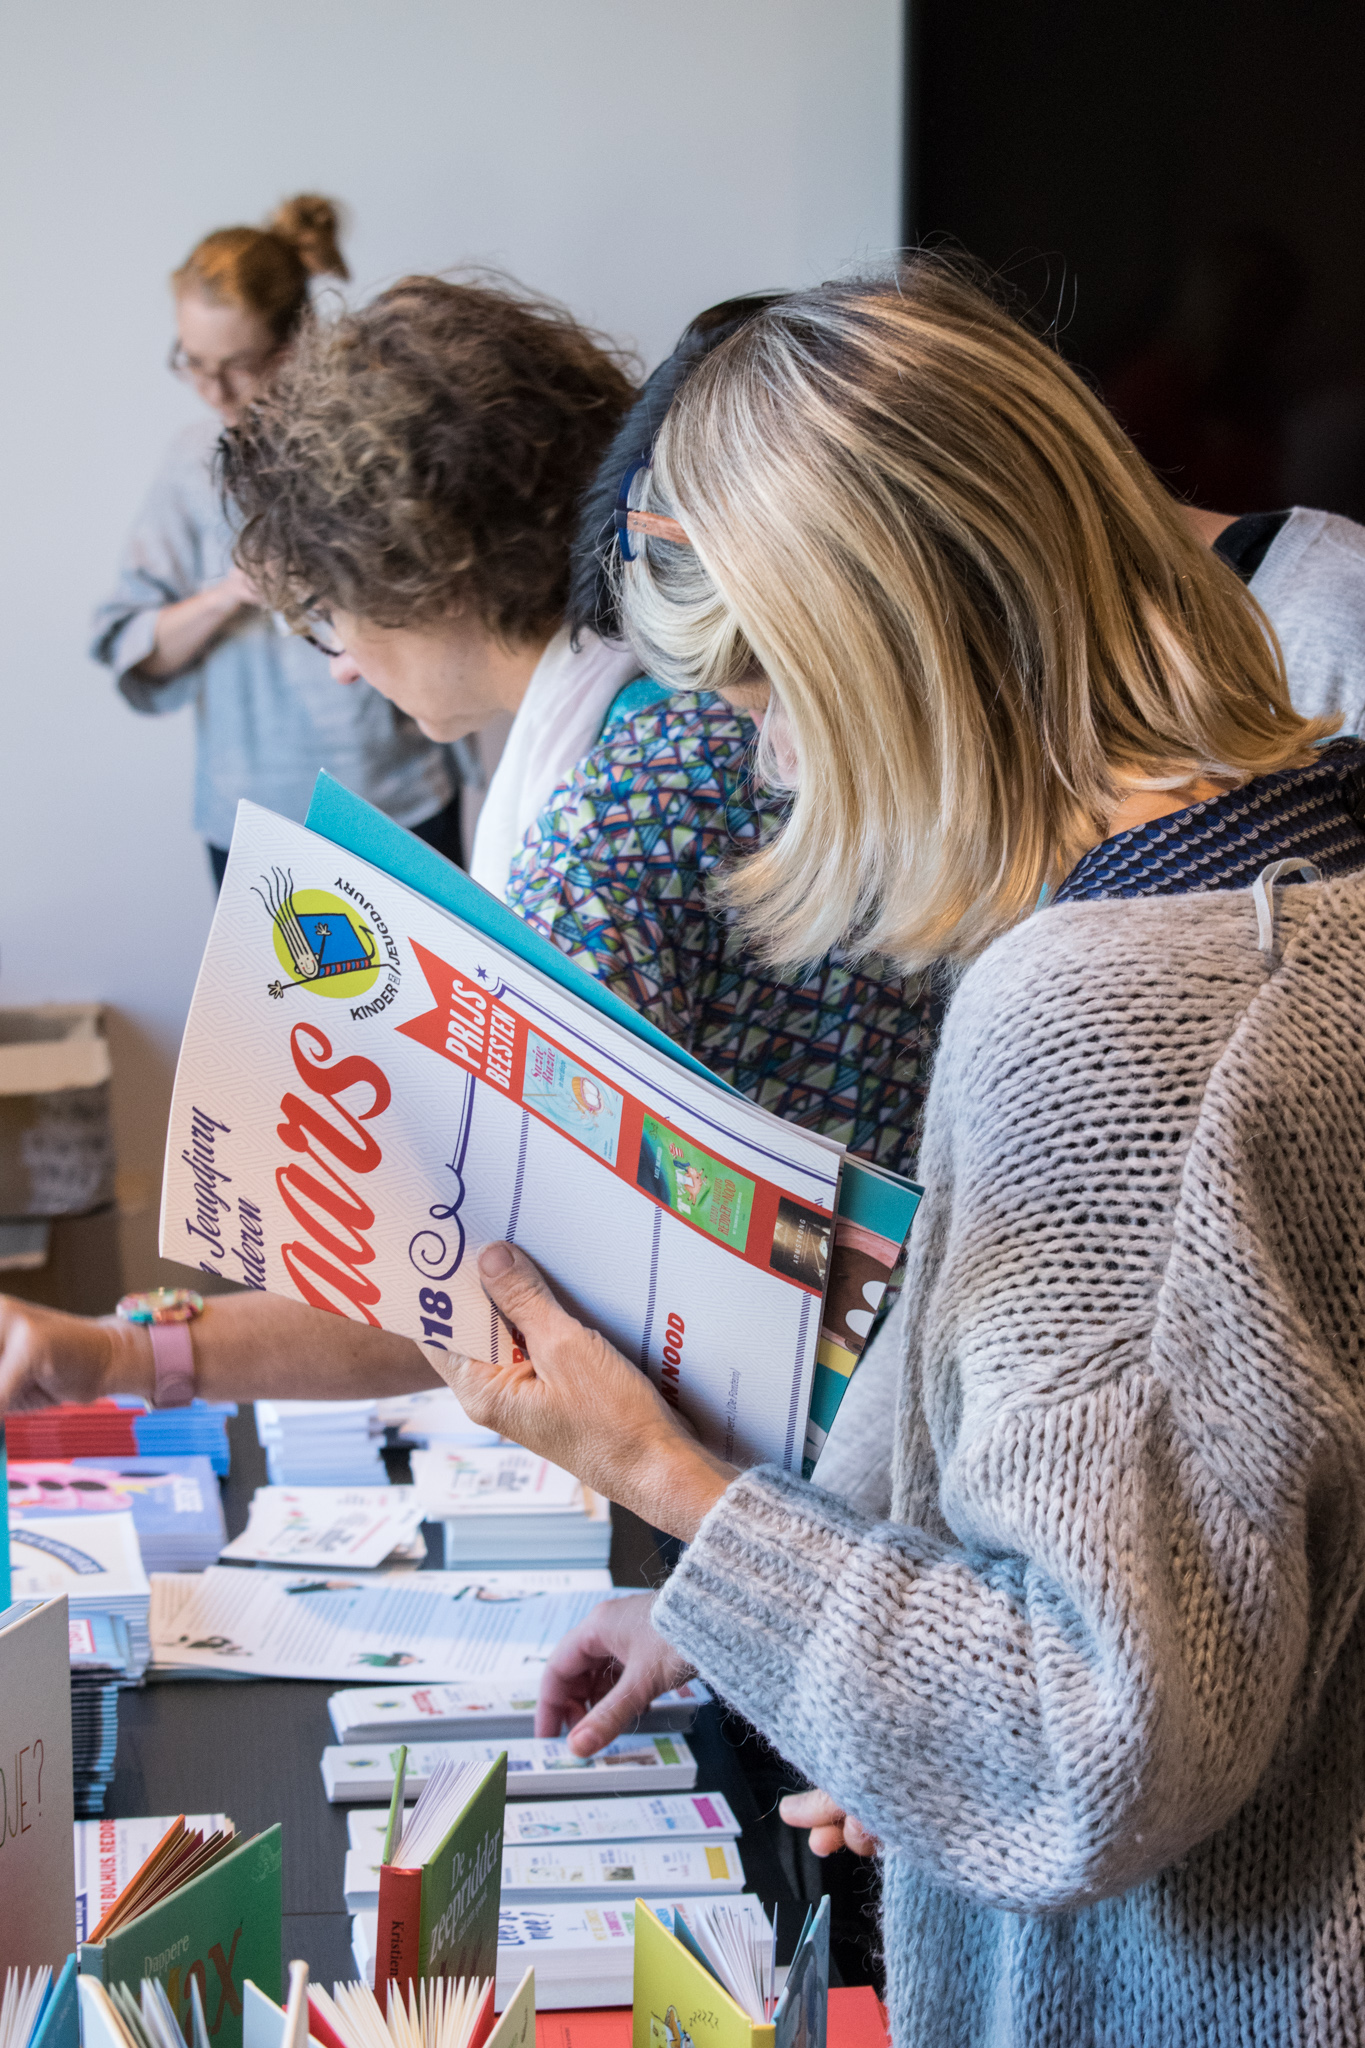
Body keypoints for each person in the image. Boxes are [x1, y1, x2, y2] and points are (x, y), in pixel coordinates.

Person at [413, 266, 1363, 2045]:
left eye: (762, 695)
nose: (764, 762)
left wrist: (668, 1480)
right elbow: (1206, 1561)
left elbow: (1079, 1745)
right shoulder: (1296, 860)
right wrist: (742, 1616)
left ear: (883, 653)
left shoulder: (1112, 1010)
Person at [90, 197, 463, 886]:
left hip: (395, 804)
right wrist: (229, 593)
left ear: (294, 344)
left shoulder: (381, 440)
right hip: (248, 818)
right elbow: (128, 643)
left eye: (236, 364)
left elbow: (457, 622)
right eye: (192, 362)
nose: (212, 390)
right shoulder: (189, 462)